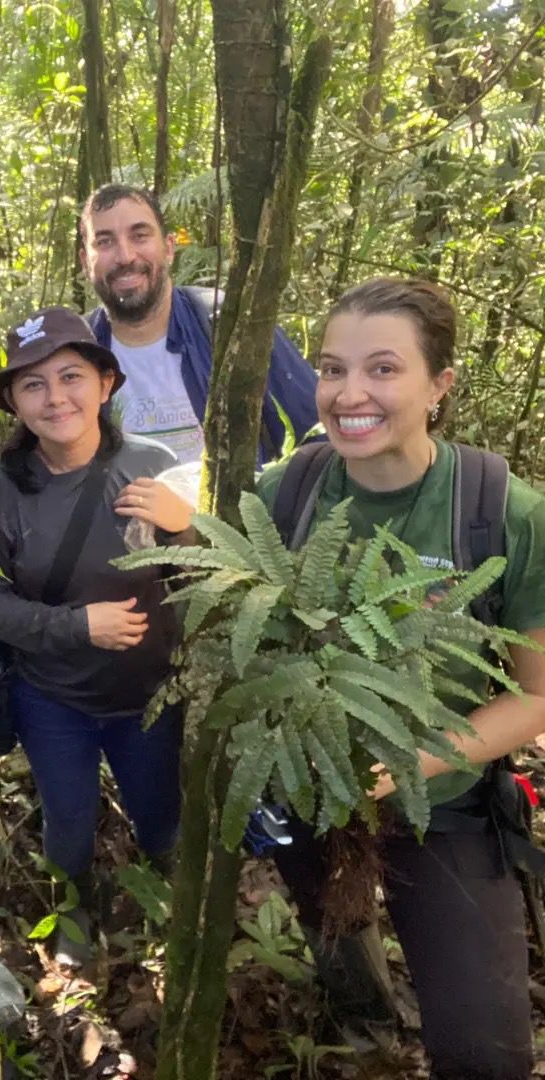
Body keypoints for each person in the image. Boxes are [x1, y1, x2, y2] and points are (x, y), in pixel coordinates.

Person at [256, 278, 545, 1079]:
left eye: (383, 369)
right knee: (341, 949)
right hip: (313, 794)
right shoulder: (287, 495)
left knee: (484, 1053)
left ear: (439, 385)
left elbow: (536, 695)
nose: (350, 394)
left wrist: (409, 763)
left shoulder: (504, 512)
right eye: (331, 368)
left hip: (442, 806)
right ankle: (364, 1027)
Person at [0, 306, 192, 967]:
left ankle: (164, 912)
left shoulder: (157, 467)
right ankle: (74, 910)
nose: (55, 397)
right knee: (67, 823)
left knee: (162, 821)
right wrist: (75, 627)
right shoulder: (1, 491)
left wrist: (188, 527)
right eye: (33, 384)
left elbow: (223, 577)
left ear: (105, 383)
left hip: (150, 696)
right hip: (53, 699)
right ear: (14, 401)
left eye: (71, 376)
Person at [79, 182, 319, 463]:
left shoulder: (231, 326)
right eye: (105, 241)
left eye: (140, 236)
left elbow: (317, 435)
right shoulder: (78, 350)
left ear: (169, 248)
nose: (125, 256)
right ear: (85, 261)